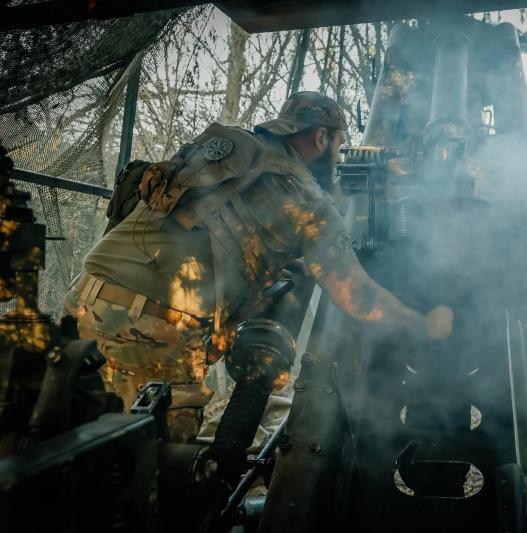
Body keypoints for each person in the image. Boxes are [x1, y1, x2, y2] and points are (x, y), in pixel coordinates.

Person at [63, 91, 453, 443]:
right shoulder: (308, 200)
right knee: (151, 454)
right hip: (149, 329)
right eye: (338, 145)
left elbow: (209, 223)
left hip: (85, 299)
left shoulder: (229, 150)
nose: (338, 157)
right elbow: (358, 296)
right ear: (321, 137)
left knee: (73, 435)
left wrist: (282, 259)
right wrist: (423, 324)